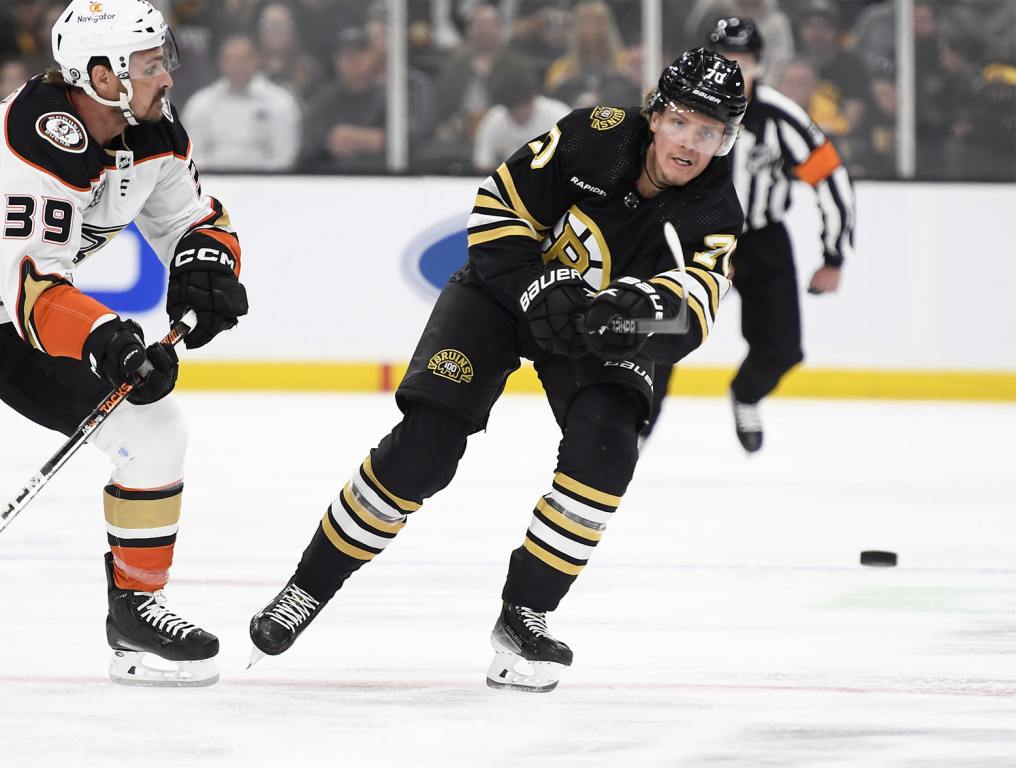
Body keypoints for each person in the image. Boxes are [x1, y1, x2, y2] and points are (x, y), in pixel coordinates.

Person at [249, 48, 746, 692]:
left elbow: (695, 308)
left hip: (594, 330)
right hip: (501, 294)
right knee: (426, 449)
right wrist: (538, 288)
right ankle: (303, 591)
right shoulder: (593, 135)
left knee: (607, 449)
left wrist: (631, 312)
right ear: (654, 115)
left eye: (709, 132)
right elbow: (496, 209)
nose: (690, 143)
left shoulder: (713, 213)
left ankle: (525, 620)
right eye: (681, 121)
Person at [0, 0, 248, 686]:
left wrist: (207, 265)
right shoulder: (37, 134)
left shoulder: (154, 133)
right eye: (149, 64)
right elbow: (29, 289)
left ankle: (135, 610)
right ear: (101, 75)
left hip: (11, 322)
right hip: (14, 307)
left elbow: (196, 221)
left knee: (154, 428)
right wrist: (105, 337)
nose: (166, 75)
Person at [643, 18, 855, 452]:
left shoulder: (782, 118)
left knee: (782, 348)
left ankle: (747, 393)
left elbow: (831, 179)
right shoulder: (678, 110)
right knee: (659, 333)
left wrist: (834, 256)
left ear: (760, 64)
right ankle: (636, 423)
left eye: (744, 60)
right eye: (725, 59)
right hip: (690, 239)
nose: (734, 70)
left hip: (760, 241)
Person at [182, 32, 301, 171]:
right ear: (221, 63)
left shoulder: (281, 102)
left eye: (244, 59)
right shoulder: (200, 104)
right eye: (231, 60)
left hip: (267, 185)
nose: (237, 66)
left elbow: (284, 157)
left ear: (257, 60)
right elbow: (192, 156)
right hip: (212, 184)